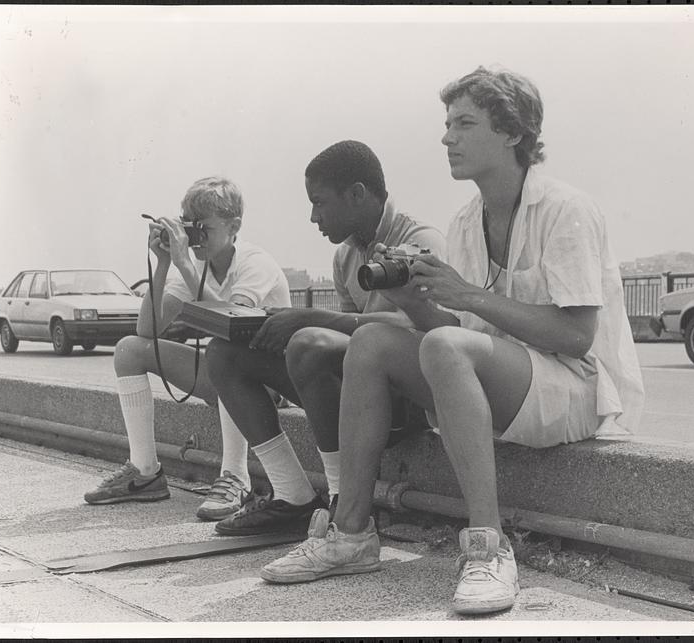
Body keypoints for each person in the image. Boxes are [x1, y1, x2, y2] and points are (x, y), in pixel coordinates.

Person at [260, 67, 645, 616]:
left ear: (513, 132)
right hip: (507, 381)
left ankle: (488, 546)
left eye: (464, 123)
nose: (447, 137)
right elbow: (462, 330)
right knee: (371, 337)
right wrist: (421, 298)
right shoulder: (467, 221)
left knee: (442, 345)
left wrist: (466, 295)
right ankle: (351, 536)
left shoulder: (566, 209)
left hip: (573, 387)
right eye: (447, 123)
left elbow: (576, 336)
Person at [205, 140, 446, 536]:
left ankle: (343, 502)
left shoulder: (422, 239)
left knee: (309, 343)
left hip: (409, 403)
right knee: (224, 354)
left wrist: (310, 318)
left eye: (320, 202)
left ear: (356, 194)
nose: (314, 217)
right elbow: (353, 336)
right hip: (359, 395)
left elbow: (421, 327)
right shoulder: (346, 255)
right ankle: (293, 497)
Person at [83, 176, 291, 522]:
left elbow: (232, 326)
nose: (195, 239)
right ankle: (145, 472)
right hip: (226, 371)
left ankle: (235, 477)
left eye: (204, 229)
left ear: (234, 225)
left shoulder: (255, 263)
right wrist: (164, 264)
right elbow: (146, 329)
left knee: (227, 351)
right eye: (190, 228)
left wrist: (182, 264)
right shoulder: (192, 264)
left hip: (270, 380)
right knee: (129, 349)